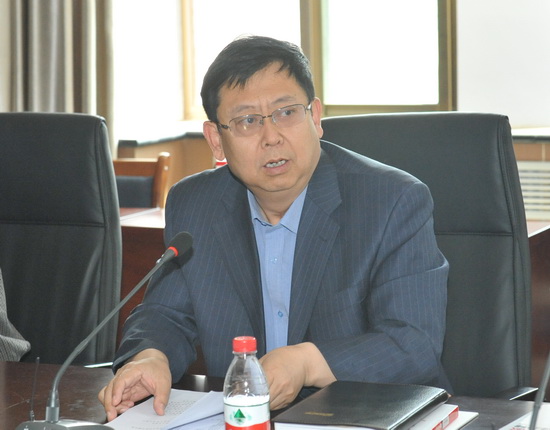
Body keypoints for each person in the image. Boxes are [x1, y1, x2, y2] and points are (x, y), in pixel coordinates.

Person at [99, 35, 450, 421]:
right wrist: (150, 357)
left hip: (366, 416)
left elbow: (413, 343)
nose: (272, 137)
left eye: (287, 113)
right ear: (217, 141)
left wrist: (306, 363)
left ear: (315, 118)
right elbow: (166, 314)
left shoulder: (391, 201)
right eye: (247, 121)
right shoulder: (195, 204)